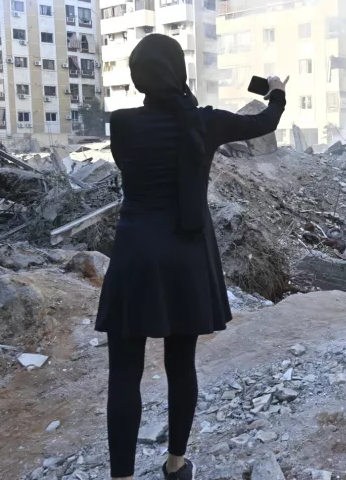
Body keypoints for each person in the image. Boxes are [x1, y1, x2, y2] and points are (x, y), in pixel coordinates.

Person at [95, 33, 288, 480]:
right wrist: (276, 90)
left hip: (135, 256)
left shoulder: (120, 124)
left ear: (138, 77)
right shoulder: (205, 123)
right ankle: (176, 465)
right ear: (179, 72)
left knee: (124, 374)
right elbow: (266, 122)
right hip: (185, 257)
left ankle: (121, 476)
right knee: (181, 365)